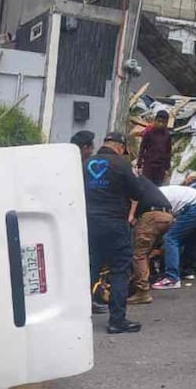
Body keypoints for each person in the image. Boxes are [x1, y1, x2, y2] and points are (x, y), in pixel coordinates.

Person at [83, 132, 144, 333]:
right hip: (115, 224)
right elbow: (137, 193)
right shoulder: (121, 165)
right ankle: (117, 321)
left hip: (90, 224)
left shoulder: (85, 164)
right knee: (120, 270)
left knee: (90, 270)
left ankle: (77, 318)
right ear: (119, 146)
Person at [151, 185, 196, 290]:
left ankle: (172, 279)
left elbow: (162, 219)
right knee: (181, 238)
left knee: (171, 238)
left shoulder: (155, 197)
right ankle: (184, 270)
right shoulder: (160, 191)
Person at [126, 175, 174, 305]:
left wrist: (130, 216)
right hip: (167, 215)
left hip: (151, 215)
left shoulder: (128, 179)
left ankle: (142, 292)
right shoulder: (143, 180)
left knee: (138, 253)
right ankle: (145, 281)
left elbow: (133, 199)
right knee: (146, 252)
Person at [138, 110, 173, 186]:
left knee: (158, 188)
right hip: (148, 166)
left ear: (166, 123)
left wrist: (167, 168)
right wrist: (139, 165)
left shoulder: (167, 136)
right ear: (155, 120)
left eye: (163, 122)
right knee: (147, 186)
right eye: (159, 121)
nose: (161, 124)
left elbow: (168, 152)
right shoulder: (149, 133)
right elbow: (142, 149)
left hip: (161, 168)